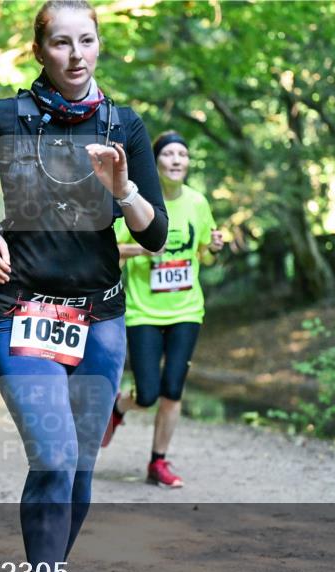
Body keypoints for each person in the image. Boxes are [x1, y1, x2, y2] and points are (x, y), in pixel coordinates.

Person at [0, 2, 167, 572]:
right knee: (54, 455)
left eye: (87, 41)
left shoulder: (123, 124)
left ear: (99, 47)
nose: (77, 54)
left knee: (81, 473)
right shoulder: (3, 118)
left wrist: (124, 188)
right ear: (38, 50)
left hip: (99, 316)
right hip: (21, 309)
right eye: (62, 42)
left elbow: (152, 233)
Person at [102, 133, 224, 488]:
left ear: (188, 163)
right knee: (149, 393)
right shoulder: (139, 202)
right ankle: (119, 407)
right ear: (156, 162)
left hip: (187, 309)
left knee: (173, 389)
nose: (175, 159)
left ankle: (158, 462)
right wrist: (144, 250)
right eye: (168, 153)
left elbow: (203, 252)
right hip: (143, 312)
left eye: (182, 154)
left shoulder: (198, 203)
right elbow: (112, 248)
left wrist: (214, 247)